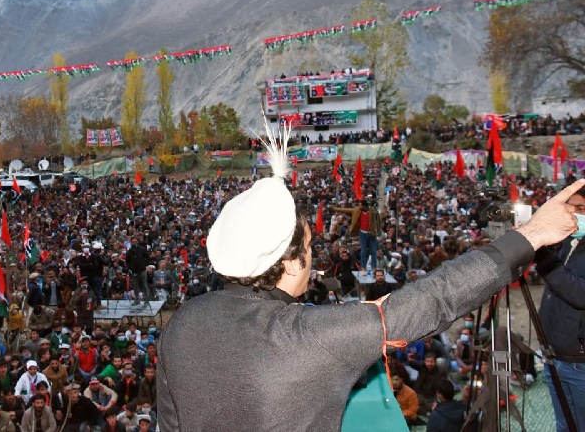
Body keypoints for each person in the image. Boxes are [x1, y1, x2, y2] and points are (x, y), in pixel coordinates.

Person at [155, 126, 585, 432]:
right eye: (308, 246)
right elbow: (433, 300)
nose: (312, 256)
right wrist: (530, 235)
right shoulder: (310, 335)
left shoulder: (182, 322)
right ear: (288, 264)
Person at [535, 182, 585, 432]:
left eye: (581, 208)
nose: (574, 213)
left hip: (580, 363)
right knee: (565, 425)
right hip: (555, 356)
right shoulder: (571, 241)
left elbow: (579, 293)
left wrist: (543, 259)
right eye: (570, 207)